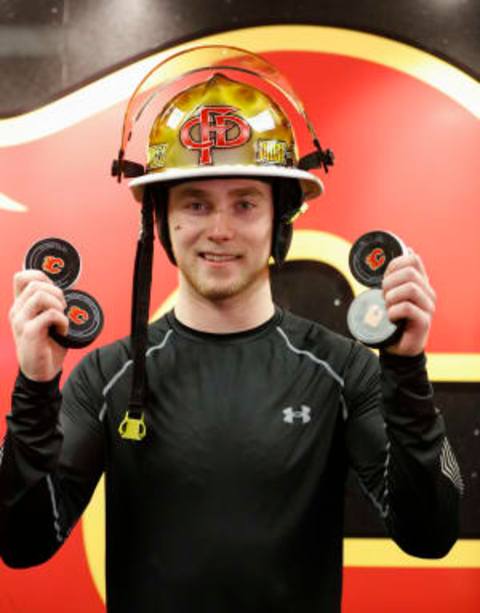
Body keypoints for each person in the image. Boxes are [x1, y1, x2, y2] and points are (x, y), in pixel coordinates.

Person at [0, 48, 462, 613]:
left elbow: (430, 533)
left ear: (279, 221)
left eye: (245, 204)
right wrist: (35, 389)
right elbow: (21, 543)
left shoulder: (344, 371)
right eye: (196, 203)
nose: (219, 230)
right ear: (163, 223)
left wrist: (407, 370)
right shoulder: (107, 375)